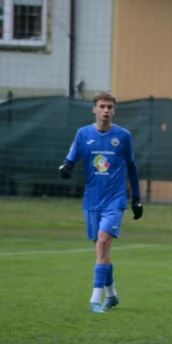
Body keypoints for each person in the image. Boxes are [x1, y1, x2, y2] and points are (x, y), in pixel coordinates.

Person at [59, 91, 143, 313]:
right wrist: (66, 168)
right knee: (101, 250)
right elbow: (69, 160)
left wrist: (137, 199)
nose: (106, 111)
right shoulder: (83, 134)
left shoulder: (122, 136)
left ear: (114, 111)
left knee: (103, 243)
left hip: (115, 200)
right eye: (102, 106)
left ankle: (95, 299)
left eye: (109, 107)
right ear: (94, 109)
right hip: (92, 200)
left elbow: (132, 168)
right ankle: (112, 295)